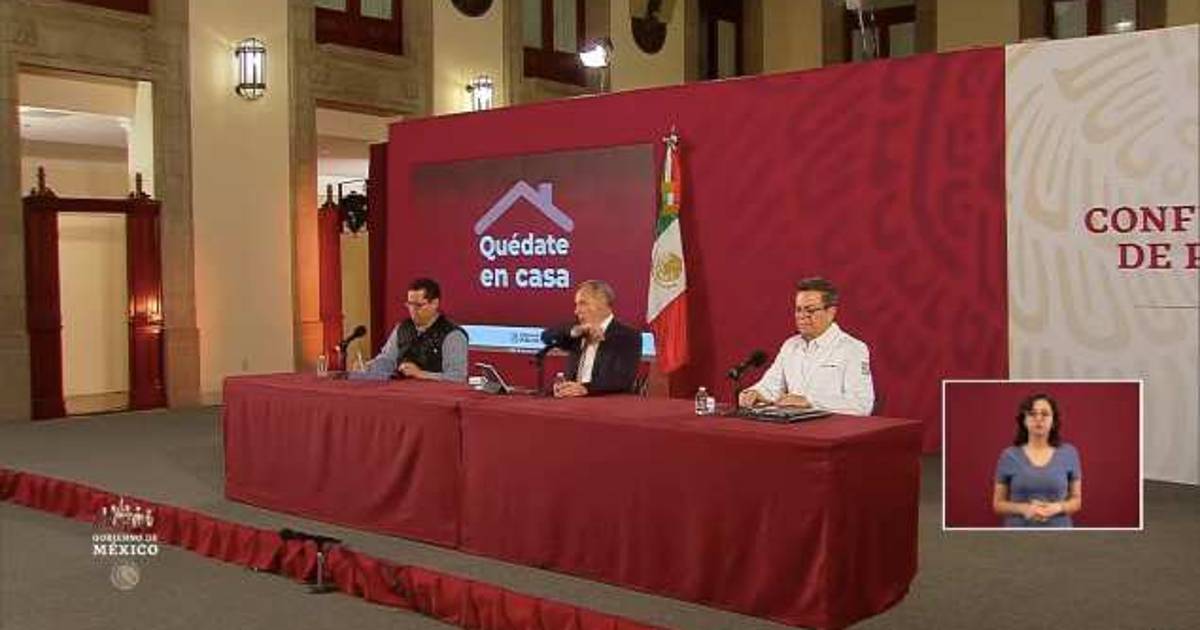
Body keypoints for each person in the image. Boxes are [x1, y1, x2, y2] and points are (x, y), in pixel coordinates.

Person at [737, 277, 875, 415]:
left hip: (831, 427)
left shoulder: (853, 349)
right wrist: (755, 393)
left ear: (831, 312)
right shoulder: (790, 346)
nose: (802, 316)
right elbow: (771, 386)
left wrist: (810, 401)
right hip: (792, 425)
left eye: (810, 310)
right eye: (798, 309)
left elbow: (862, 405)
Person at [992, 393, 1083, 528]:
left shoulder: (1069, 453)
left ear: (1053, 421)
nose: (1038, 418)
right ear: (1024, 420)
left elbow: (1076, 501)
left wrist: (1057, 507)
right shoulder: (1008, 455)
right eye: (1032, 414)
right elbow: (998, 504)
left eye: (1045, 414)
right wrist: (1025, 509)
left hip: (1059, 534)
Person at [541, 280, 641, 397]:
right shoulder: (577, 330)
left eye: (582, 303)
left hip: (606, 402)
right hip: (570, 400)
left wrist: (586, 388)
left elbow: (623, 379)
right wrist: (577, 331)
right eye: (576, 304)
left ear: (602, 303)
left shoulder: (627, 335)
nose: (576, 311)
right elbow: (546, 336)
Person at [359, 277, 468, 382]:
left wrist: (421, 374)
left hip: (434, 393)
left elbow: (457, 377)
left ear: (435, 303)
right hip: (400, 390)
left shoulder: (452, 335)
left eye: (418, 305)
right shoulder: (402, 328)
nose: (413, 310)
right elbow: (388, 359)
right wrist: (370, 367)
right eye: (410, 304)